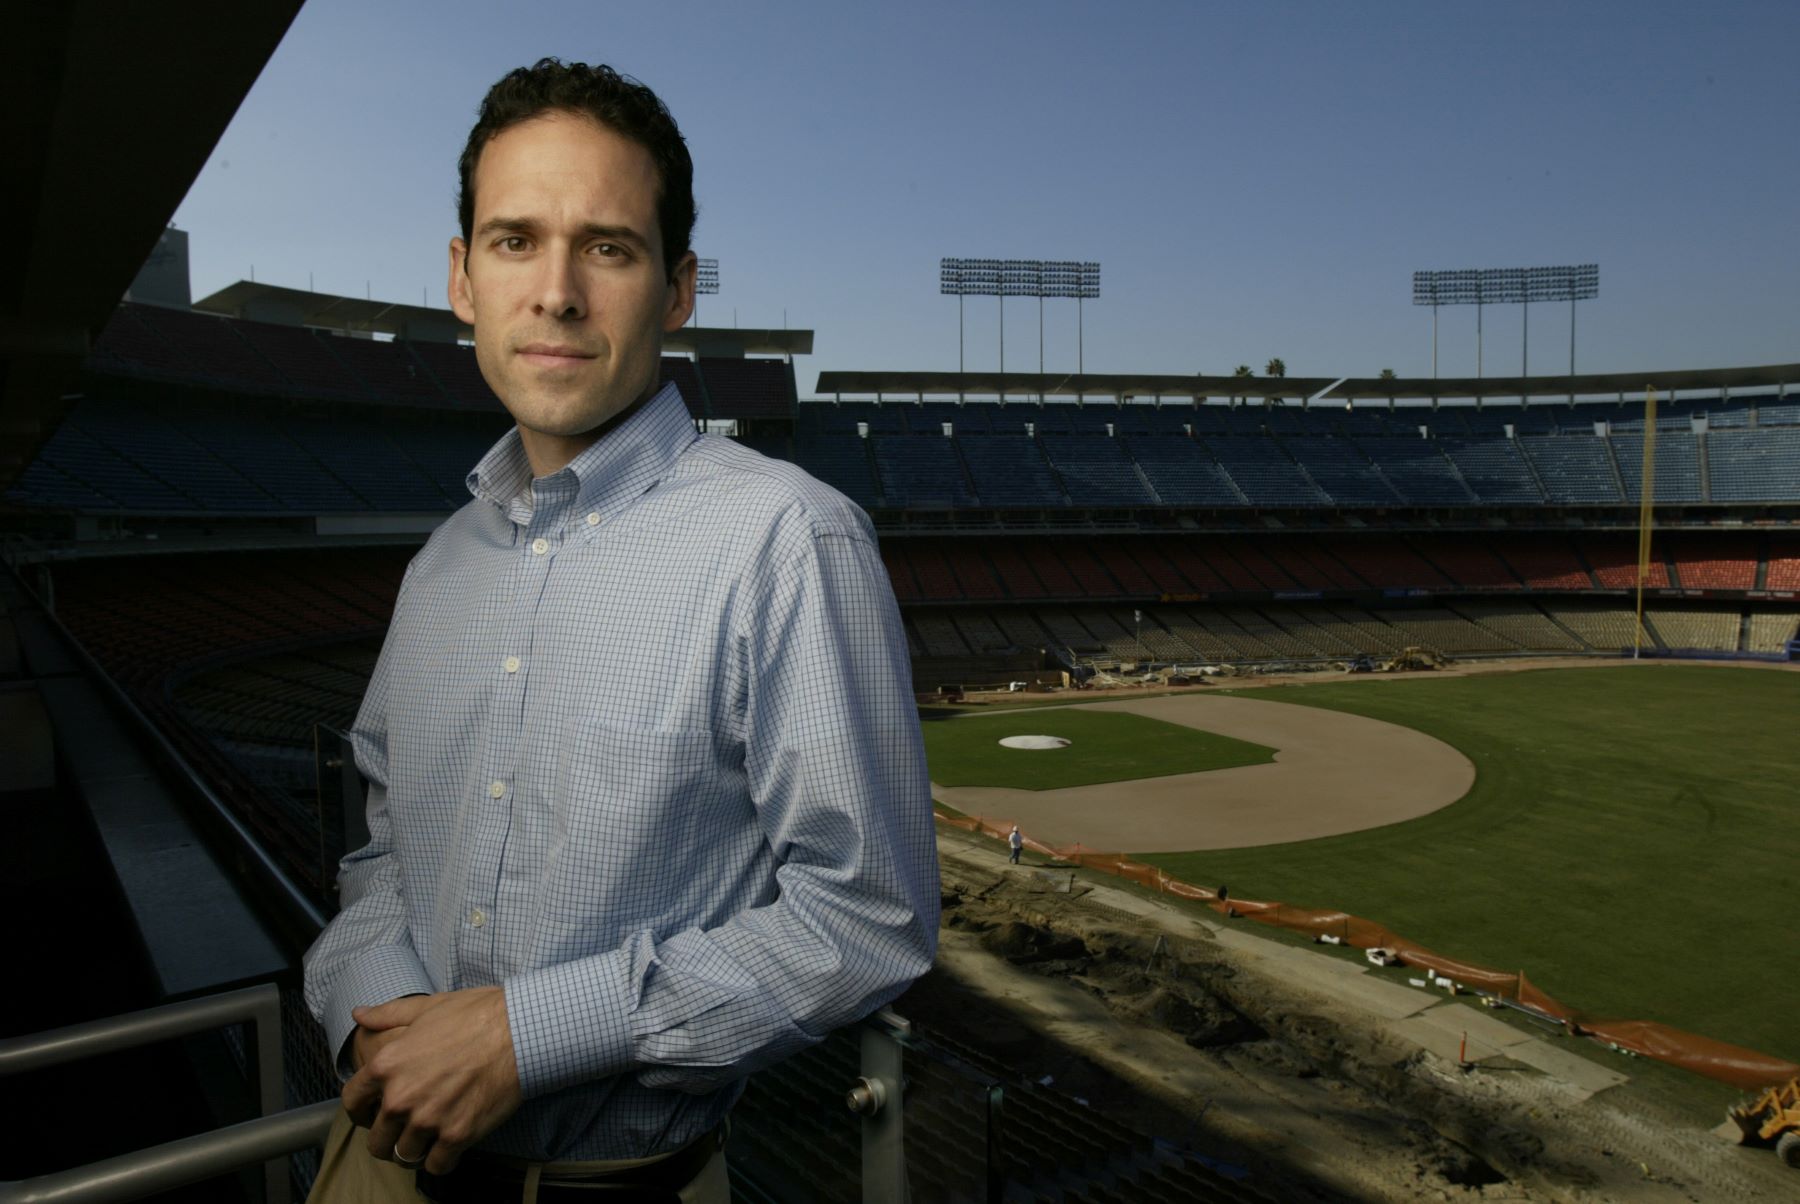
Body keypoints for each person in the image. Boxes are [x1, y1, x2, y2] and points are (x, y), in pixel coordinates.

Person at [301, 59, 939, 1203]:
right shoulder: (437, 565)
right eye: (512, 241)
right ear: (460, 278)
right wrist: (379, 1021)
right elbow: (381, 856)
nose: (555, 292)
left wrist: (522, 1037)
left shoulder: (787, 539)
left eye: (607, 246)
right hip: (376, 1160)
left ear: (678, 287)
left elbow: (868, 916)